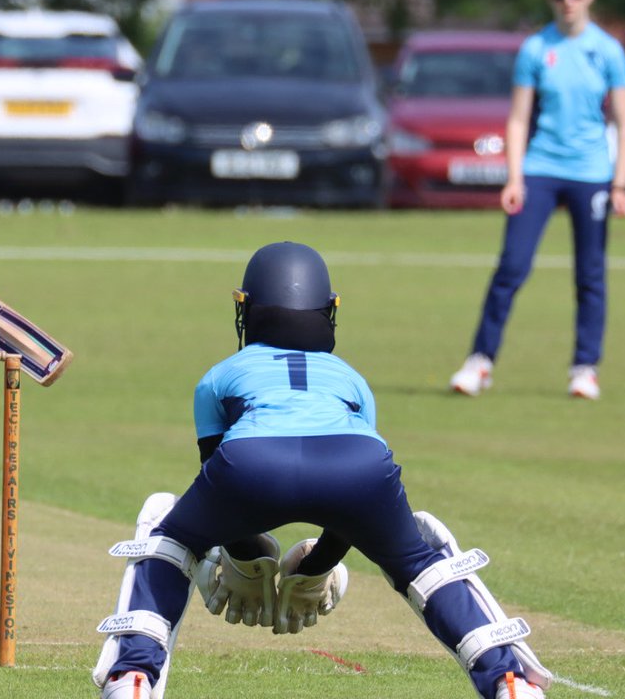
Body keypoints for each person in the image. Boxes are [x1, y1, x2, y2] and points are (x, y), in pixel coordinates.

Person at [92, 242, 552, 699]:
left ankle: (132, 675)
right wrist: (316, 566)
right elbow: (349, 511)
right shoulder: (352, 378)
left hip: (251, 464)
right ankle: (508, 680)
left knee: (168, 532)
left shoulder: (218, 375)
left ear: (247, 310)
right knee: (418, 558)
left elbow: (220, 489)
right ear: (327, 311)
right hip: (360, 466)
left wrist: (249, 560)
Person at [450, 0, 625, 400]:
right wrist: (514, 178)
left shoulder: (607, 50)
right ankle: (480, 361)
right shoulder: (536, 49)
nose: (568, 1)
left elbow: (624, 123)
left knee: (590, 274)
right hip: (540, 169)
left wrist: (620, 183)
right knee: (512, 266)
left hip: (590, 173)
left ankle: (584, 368)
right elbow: (517, 119)